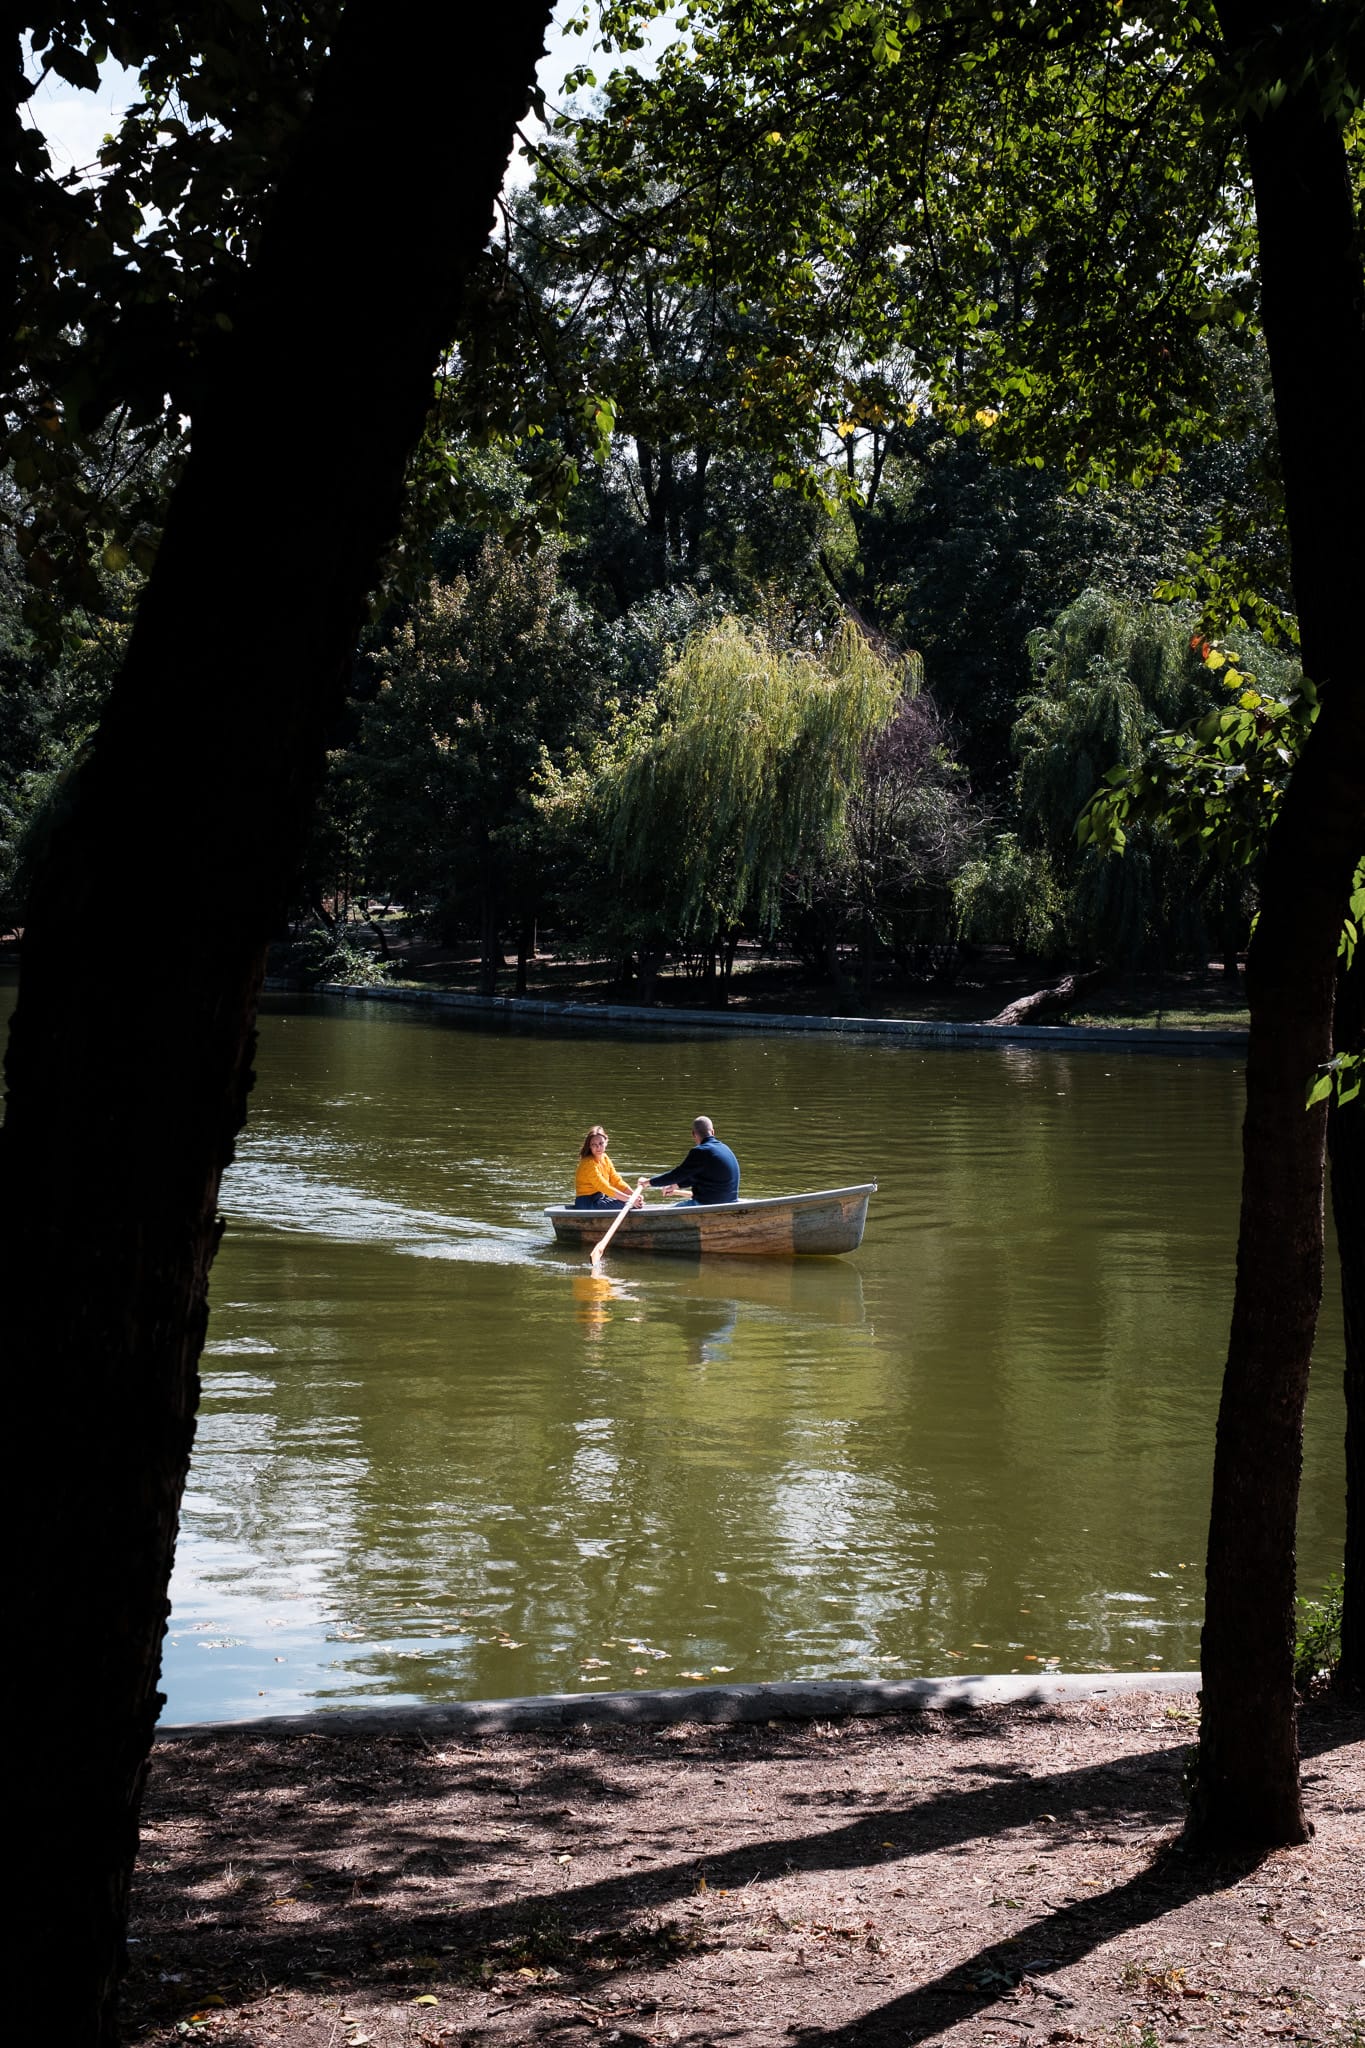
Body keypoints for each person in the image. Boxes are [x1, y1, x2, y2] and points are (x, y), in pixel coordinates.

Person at [640, 1114, 740, 1206]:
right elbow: (699, 1177)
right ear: (713, 1132)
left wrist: (648, 1182)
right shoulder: (725, 1148)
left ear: (693, 1134)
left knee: (664, 1213)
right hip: (730, 1203)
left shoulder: (700, 1151)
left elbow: (676, 1175)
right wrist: (677, 1185)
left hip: (708, 1204)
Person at [573, 1126, 641, 1209]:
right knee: (630, 1204)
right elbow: (603, 1186)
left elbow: (616, 1181)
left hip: (601, 1198)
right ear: (589, 1146)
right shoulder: (588, 1163)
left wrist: (633, 1195)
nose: (598, 1147)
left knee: (632, 1202)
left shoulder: (605, 1158)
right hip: (587, 1203)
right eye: (594, 1145)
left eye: (601, 1143)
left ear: (606, 1142)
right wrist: (630, 1200)